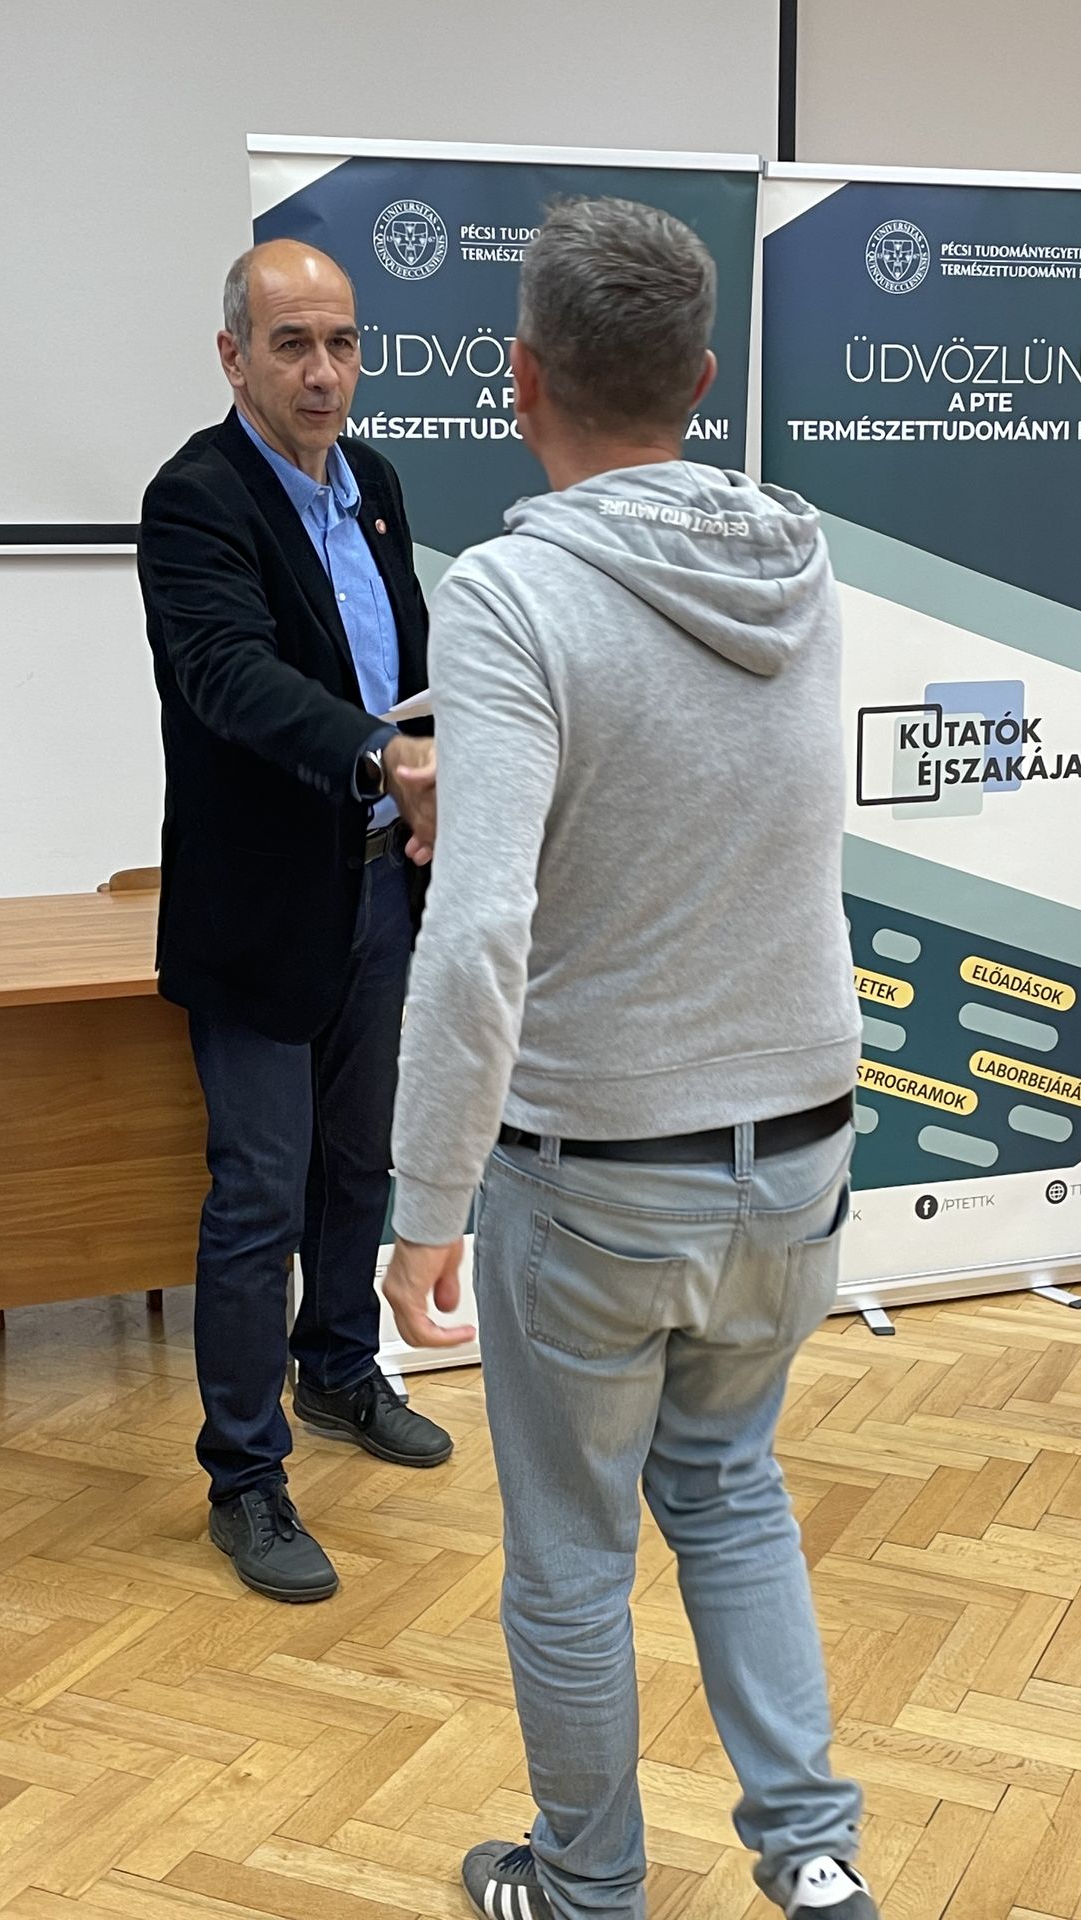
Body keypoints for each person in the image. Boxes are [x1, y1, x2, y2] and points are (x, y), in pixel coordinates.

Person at [384, 199, 875, 1920]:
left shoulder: (510, 593)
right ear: (705, 377)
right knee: (732, 1495)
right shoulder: (803, 567)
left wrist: (425, 1201)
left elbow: (480, 933)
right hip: (799, 1147)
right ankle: (817, 1864)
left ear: (520, 379)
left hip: (597, 1171)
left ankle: (587, 1890)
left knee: (573, 1563)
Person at [138, 238, 453, 1608]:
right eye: (291, 345)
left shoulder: (373, 485)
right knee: (259, 1195)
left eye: (342, 343)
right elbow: (230, 677)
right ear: (233, 357)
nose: (324, 373)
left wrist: (443, 758)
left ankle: (338, 1373)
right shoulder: (194, 498)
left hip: (381, 882)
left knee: (358, 1162)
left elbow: (410, 663)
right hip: (260, 907)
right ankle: (244, 1477)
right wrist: (379, 755)